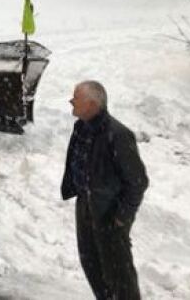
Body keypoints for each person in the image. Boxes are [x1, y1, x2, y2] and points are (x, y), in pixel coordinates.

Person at [62, 81, 149, 300]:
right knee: (91, 263)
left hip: (109, 212)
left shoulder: (118, 135)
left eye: (76, 98)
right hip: (85, 205)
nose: (71, 101)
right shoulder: (81, 126)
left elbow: (137, 182)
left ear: (92, 104)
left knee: (118, 274)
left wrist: (121, 218)